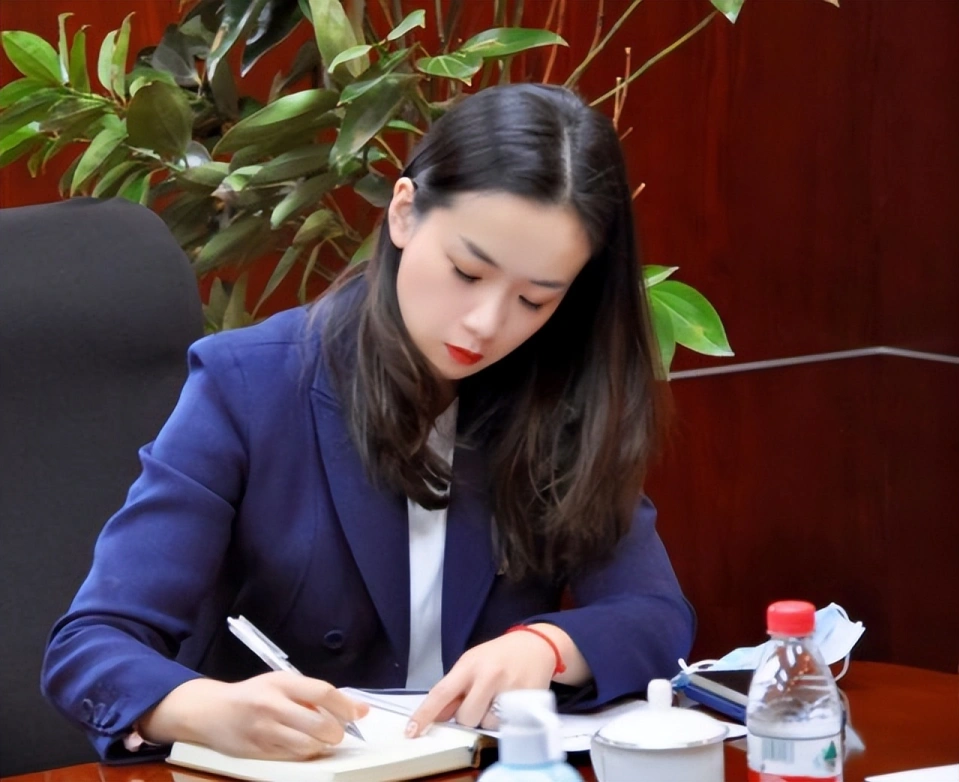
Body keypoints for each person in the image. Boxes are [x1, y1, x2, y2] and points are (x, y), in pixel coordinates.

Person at [41, 83, 695, 763]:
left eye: (534, 299)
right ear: (404, 213)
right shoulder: (248, 385)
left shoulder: (556, 394)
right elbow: (90, 646)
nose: (486, 324)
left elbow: (655, 615)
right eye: (468, 272)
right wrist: (202, 708)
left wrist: (548, 646)